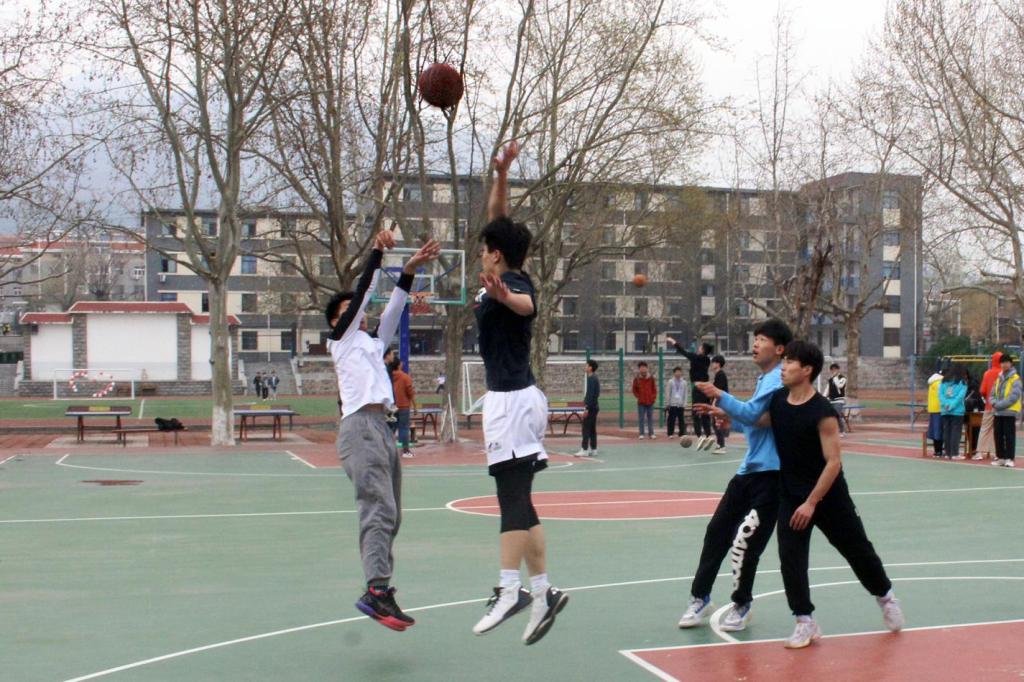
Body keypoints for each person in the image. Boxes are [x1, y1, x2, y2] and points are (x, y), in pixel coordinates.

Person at [470, 140, 568, 646]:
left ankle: (511, 591)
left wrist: (507, 297)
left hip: (511, 401)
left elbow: (527, 306)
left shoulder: (513, 283)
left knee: (510, 501)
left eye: (484, 249)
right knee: (522, 502)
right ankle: (544, 591)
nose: (480, 253)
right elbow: (498, 216)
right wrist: (503, 173)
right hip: (516, 398)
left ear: (496, 255)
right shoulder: (503, 267)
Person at [746, 339, 903, 648]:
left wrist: (811, 502)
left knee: (857, 550)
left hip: (828, 496)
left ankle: (885, 596)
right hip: (791, 494)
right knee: (791, 558)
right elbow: (761, 421)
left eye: (790, 362)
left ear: (806, 370)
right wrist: (727, 414)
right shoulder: (778, 400)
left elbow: (833, 463)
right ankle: (805, 621)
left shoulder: (823, 411)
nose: (783, 367)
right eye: (784, 361)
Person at [325, 229, 440, 631]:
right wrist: (376, 253)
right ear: (337, 321)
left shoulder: (372, 345)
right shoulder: (340, 342)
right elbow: (363, 296)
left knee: (393, 514)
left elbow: (393, 308)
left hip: (381, 428)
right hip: (359, 428)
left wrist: (408, 270)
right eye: (350, 311)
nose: (360, 313)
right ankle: (375, 589)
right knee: (378, 508)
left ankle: (381, 587)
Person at [677, 319, 792, 633]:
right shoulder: (765, 378)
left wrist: (721, 396)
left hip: (772, 475)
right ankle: (700, 598)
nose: (755, 344)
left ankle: (741, 605)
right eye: (755, 338)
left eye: (762, 339)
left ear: (779, 349)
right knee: (717, 532)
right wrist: (730, 418)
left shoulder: (778, 379)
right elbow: (757, 421)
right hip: (749, 472)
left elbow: (755, 414)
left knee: (748, 542)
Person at [667, 338, 713, 449]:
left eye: (700, 347)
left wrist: (674, 342)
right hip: (706, 388)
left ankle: (700, 437)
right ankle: (708, 436)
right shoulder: (707, 360)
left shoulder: (696, 358)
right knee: (705, 412)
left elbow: (684, 352)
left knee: (696, 413)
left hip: (698, 388)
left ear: (703, 350)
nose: (698, 348)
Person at [991, 353, 1020, 468]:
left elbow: (1014, 397)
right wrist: (994, 403)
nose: (1004, 364)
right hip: (998, 413)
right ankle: (1001, 458)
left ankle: (1009, 458)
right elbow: (992, 394)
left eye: (1006, 362)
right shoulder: (998, 378)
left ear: (1011, 364)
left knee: (1009, 436)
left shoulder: (1015, 378)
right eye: (1002, 362)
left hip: (1009, 412)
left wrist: (999, 405)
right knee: (998, 435)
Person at [974, 352, 1003, 460]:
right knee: (999, 430)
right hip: (1002, 407)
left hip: (989, 406)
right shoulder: (1005, 373)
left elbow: (982, 390)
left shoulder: (987, 373)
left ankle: (980, 452)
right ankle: (997, 453)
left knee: (985, 429)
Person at [939, 363, 968, 460]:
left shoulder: (944, 381)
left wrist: (946, 404)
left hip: (945, 410)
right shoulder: (962, 382)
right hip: (957, 411)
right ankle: (955, 453)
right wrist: (952, 405)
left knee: (947, 431)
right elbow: (960, 397)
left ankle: (948, 453)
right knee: (956, 432)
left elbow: (940, 395)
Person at [390, 357, 416, 458]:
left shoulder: (388, 377)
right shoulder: (405, 377)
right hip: (404, 406)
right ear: (398, 365)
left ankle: (387, 450)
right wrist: (414, 405)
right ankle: (405, 451)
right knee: (404, 428)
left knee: (391, 429)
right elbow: (410, 392)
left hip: (392, 407)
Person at [576, 360, 600, 457]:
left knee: (585, 428)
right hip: (594, 406)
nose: (585, 367)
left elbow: (591, 395)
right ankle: (594, 449)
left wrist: (587, 408)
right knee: (592, 429)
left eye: (586, 365)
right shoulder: (593, 378)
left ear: (590, 368)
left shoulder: (592, 379)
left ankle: (584, 449)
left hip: (591, 407)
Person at [708, 355, 729, 454]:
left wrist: (713, 404)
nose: (712, 364)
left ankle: (722, 446)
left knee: (718, 423)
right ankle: (719, 443)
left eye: (713, 362)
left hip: (720, 402)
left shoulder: (720, 375)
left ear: (718, 364)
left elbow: (718, 392)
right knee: (715, 423)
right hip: (719, 402)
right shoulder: (718, 375)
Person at [632, 361, 657, 439]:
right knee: (641, 418)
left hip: (650, 401)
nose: (643, 369)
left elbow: (654, 389)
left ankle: (651, 433)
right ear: (639, 369)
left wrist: (653, 398)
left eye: (644, 367)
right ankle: (641, 433)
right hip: (641, 402)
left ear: (647, 368)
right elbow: (634, 390)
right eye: (641, 367)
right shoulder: (637, 379)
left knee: (650, 418)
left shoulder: (651, 378)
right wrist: (639, 397)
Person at [926, 363, 944, 457]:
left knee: (935, 430)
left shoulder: (932, 382)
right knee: (939, 430)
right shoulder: (939, 383)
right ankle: (939, 451)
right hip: (939, 409)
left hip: (933, 408)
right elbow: (942, 395)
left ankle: (937, 451)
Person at [666, 366, 688, 438]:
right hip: (673, 404)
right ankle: (670, 433)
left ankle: (681, 433)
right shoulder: (671, 382)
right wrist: (668, 403)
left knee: (681, 419)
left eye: (679, 372)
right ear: (674, 373)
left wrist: (684, 403)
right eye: (677, 372)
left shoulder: (684, 382)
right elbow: (668, 393)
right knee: (671, 419)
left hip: (680, 404)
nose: (678, 373)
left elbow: (685, 393)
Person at [826, 363, 848, 437]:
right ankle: (832, 431)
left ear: (838, 370)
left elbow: (840, 386)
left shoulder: (843, 378)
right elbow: (827, 389)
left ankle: (842, 431)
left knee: (837, 415)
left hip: (839, 400)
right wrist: (823, 397)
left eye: (835, 369)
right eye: (832, 370)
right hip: (831, 400)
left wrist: (835, 377)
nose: (833, 371)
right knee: (829, 416)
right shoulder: (830, 379)